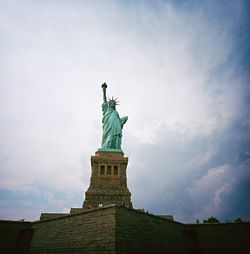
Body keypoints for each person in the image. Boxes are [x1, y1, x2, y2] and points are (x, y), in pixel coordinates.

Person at [100, 83, 128, 150]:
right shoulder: (107, 109)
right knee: (107, 136)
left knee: (115, 136)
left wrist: (122, 121)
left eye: (113, 103)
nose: (112, 103)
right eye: (111, 103)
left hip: (116, 127)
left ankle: (114, 147)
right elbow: (104, 99)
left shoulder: (115, 112)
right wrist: (104, 90)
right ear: (109, 104)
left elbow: (119, 122)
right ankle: (106, 147)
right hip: (108, 126)